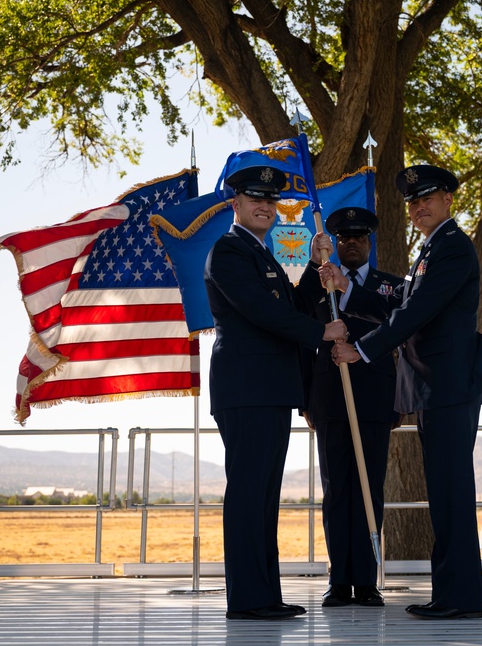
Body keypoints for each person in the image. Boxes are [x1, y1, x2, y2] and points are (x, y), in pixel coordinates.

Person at [320, 165, 482, 620]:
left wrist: (362, 350)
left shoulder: (454, 248)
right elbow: (401, 294)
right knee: (443, 491)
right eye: (413, 202)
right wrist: (348, 287)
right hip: (432, 386)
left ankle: (459, 597)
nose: (419, 207)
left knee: (451, 492)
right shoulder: (433, 249)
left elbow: (416, 310)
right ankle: (450, 593)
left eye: (428, 198)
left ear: (448, 201)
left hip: (447, 385)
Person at [204, 164, 347, 621]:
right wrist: (323, 333)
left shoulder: (260, 254)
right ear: (236, 204)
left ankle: (263, 594)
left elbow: (291, 302)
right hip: (246, 389)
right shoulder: (228, 251)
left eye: (270, 201)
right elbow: (263, 313)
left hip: (268, 389)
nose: (264, 206)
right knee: (249, 493)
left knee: (264, 495)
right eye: (255, 199)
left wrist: (311, 262)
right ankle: (248, 598)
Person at [296, 207, 402, 608]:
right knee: (336, 490)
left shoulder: (390, 287)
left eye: (359, 237)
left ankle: (366, 581)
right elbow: (301, 335)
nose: (352, 242)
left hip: (375, 398)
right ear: (336, 244)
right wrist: (306, 399)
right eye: (344, 238)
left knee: (369, 489)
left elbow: (400, 331)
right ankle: (340, 579)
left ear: (370, 243)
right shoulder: (318, 283)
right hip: (330, 398)